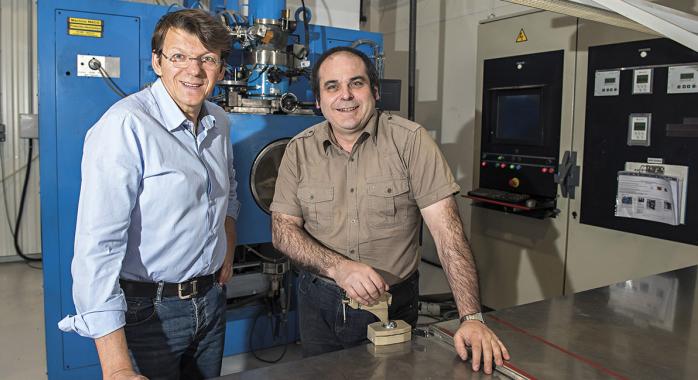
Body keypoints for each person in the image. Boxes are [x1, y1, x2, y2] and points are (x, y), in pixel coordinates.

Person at [270, 46, 509, 374]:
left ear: (376, 91)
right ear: (318, 100)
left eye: (356, 83)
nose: (346, 96)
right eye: (332, 86)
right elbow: (283, 230)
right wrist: (338, 268)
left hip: (392, 307)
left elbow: (447, 234)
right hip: (318, 305)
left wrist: (471, 317)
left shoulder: (411, 142)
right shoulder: (298, 150)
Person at [58, 9, 239, 380]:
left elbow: (229, 188)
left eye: (208, 59)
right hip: (149, 312)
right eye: (179, 57)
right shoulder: (124, 126)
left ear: (221, 69)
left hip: (211, 302)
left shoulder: (218, 119)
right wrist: (117, 367)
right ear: (157, 62)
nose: (195, 70)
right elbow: (98, 247)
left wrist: (228, 243)